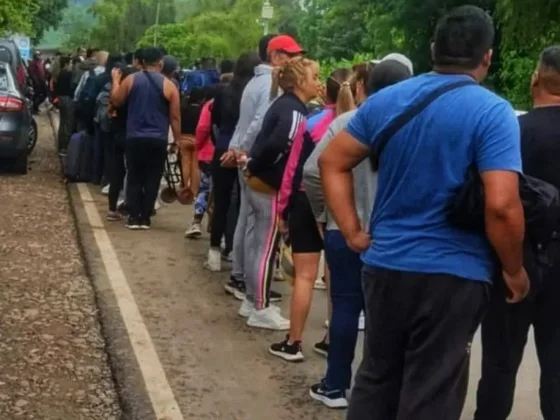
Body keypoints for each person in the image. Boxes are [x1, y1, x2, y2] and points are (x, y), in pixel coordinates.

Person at [319, 6, 529, 419]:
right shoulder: (493, 112)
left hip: (385, 266)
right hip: (453, 277)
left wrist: (352, 231)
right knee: (431, 392)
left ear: (435, 49)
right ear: (487, 57)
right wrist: (513, 269)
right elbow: (502, 205)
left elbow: (331, 161)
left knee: (376, 380)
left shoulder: (387, 102)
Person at [304, 58, 412, 408]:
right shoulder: (416, 126)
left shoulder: (346, 124)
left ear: (364, 86)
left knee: (345, 307)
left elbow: (312, 171)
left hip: (344, 231)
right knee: (387, 318)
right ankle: (382, 393)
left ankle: (335, 385)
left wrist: (326, 214)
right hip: (394, 237)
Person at [474, 45, 560, 420]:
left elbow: (493, 200)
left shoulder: (510, 131)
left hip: (513, 256)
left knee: (499, 363)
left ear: (535, 78)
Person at [268, 67, 354, 362]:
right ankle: (332, 341)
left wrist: (283, 209)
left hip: (307, 200)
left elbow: (294, 169)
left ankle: (294, 342)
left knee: (305, 276)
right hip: (344, 204)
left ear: (325, 92)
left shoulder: (312, 122)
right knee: (336, 278)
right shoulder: (360, 124)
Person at [240, 55, 319, 331]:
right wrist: (258, 167)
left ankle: (252, 299)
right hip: (269, 185)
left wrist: (253, 166)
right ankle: (260, 306)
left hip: (259, 180)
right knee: (265, 246)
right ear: (299, 82)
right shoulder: (295, 111)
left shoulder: (283, 104)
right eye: (314, 78)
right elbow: (277, 144)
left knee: (257, 244)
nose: (318, 84)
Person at [225, 34, 301, 308]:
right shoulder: (271, 85)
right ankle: (252, 287)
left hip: (245, 157)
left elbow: (246, 123)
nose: (296, 61)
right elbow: (259, 125)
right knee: (259, 231)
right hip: (255, 161)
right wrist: (247, 154)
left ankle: (243, 277)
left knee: (248, 221)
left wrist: (238, 150)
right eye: (290, 55)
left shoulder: (253, 82)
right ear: (276, 56)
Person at [110, 47, 181, 230]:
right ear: (161, 63)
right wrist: (177, 141)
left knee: (134, 176)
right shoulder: (170, 85)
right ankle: (145, 217)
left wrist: (116, 82)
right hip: (158, 138)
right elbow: (175, 117)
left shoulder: (131, 80)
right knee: (152, 177)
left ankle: (133, 216)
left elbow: (116, 101)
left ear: (141, 62)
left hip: (134, 137)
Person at [204, 52, 262, 271]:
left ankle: (214, 252)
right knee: (243, 203)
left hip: (223, 147)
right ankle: (234, 250)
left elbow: (215, 121)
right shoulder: (256, 93)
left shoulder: (223, 92)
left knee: (221, 200)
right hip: (247, 150)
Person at [106, 66, 138, 221]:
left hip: (117, 136)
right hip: (131, 136)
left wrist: (115, 82)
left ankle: (112, 209)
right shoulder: (133, 96)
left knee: (117, 173)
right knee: (132, 172)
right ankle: (129, 207)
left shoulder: (117, 96)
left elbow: (112, 106)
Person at [185, 87, 216, 238]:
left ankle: (196, 221)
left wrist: (199, 145)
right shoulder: (240, 101)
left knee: (204, 188)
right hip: (229, 155)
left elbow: (203, 128)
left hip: (208, 154)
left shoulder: (210, 105)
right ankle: (218, 228)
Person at [54, 56, 76, 153]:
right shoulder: (68, 74)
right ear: (67, 63)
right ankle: (65, 147)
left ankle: (60, 146)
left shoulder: (59, 74)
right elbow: (71, 88)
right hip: (67, 99)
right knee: (68, 123)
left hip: (60, 99)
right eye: (70, 63)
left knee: (62, 122)